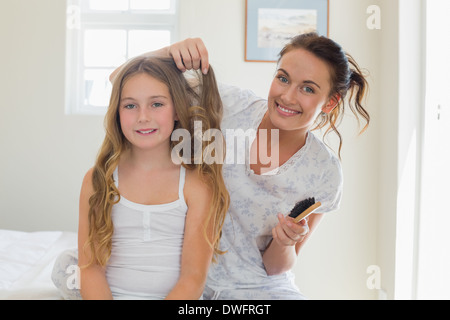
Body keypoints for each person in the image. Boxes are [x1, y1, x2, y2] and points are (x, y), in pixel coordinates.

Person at [136, 33, 370, 299]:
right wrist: (167, 52)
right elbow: (120, 83)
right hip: (189, 279)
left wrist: (284, 243)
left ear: (330, 102)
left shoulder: (324, 173)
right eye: (283, 78)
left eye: (308, 88)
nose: (288, 96)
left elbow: (275, 268)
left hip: (258, 289)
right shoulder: (229, 106)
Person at [51, 55, 229, 299]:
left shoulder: (196, 184)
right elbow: (91, 268)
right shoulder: (97, 180)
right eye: (130, 105)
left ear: (177, 109)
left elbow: (193, 277)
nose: (143, 116)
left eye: (156, 104)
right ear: (117, 112)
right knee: (68, 262)